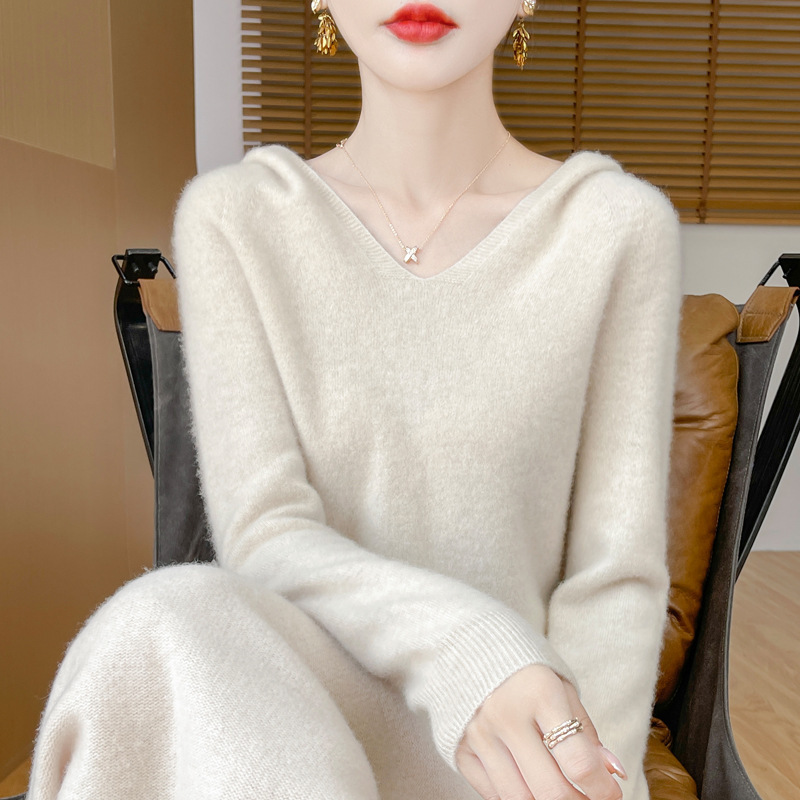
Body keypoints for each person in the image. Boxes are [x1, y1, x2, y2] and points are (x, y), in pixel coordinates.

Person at [26, 1, 684, 799]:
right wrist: (466, 647)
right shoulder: (237, 217)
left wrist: (583, 779)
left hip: (518, 755)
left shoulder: (614, 227)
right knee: (157, 621)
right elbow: (265, 533)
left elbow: (614, 574)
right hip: (287, 731)